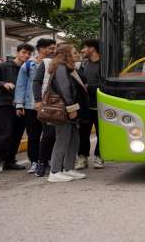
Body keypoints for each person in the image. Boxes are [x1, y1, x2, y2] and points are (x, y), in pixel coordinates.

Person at [35, 44, 89, 183]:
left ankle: (68, 168)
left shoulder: (69, 68)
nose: (78, 54)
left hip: (69, 109)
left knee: (73, 139)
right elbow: (65, 90)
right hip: (64, 110)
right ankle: (54, 171)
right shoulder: (60, 68)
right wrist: (71, 108)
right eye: (75, 52)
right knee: (62, 139)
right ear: (67, 55)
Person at [0, 43, 34, 175]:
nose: (26, 55)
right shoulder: (2, 66)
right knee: (6, 133)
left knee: (17, 134)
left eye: (29, 54)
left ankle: (9, 161)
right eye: (24, 52)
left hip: (23, 105)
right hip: (6, 104)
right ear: (17, 52)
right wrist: (3, 84)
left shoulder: (29, 67)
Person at [14, 38, 56, 173]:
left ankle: (46, 159)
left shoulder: (54, 64)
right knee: (33, 135)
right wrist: (19, 104)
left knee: (50, 134)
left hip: (49, 105)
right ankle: (34, 161)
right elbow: (21, 84)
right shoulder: (28, 65)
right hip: (31, 106)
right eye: (51, 48)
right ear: (42, 49)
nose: (53, 51)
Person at [77, 39, 104, 169]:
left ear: (92, 49)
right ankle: (82, 157)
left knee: (102, 133)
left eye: (84, 47)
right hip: (85, 106)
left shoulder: (105, 65)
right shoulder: (83, 64)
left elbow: (106, 84)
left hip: (101, 105)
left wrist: (88, 88)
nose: (82, 50)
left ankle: (99, 156)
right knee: (83, 133)